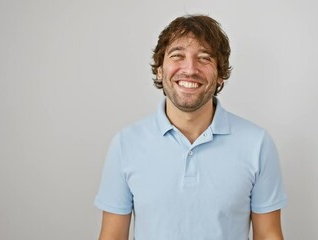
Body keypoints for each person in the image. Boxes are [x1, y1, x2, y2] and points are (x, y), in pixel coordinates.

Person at [94, 14, 287, 240]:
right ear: (159, 69)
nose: (190, 69)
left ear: (220, 75)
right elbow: (112, 237)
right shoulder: (125, 144)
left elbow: (269, 235)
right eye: (177, 55)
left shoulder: (258, 144)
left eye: (204, 58)